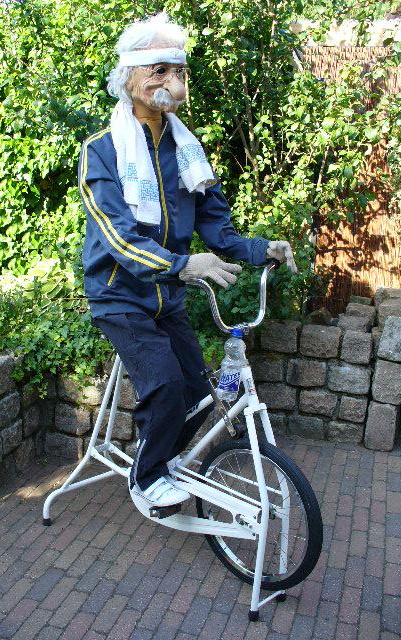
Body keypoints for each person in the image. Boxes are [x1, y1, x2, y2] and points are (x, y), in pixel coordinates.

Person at [79, 13, 296, 510]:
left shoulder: (187, 150)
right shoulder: (102, 151)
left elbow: (217, 228)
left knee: (200, 395)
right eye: (158, 70)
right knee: (166, 386)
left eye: (177, 71)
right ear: (129, 76)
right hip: (119, 296)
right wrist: (182, 265)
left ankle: (157, 456)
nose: (171, 82)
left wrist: (262, 249)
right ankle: (147, 478)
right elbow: (118, 236)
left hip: (167, 297)